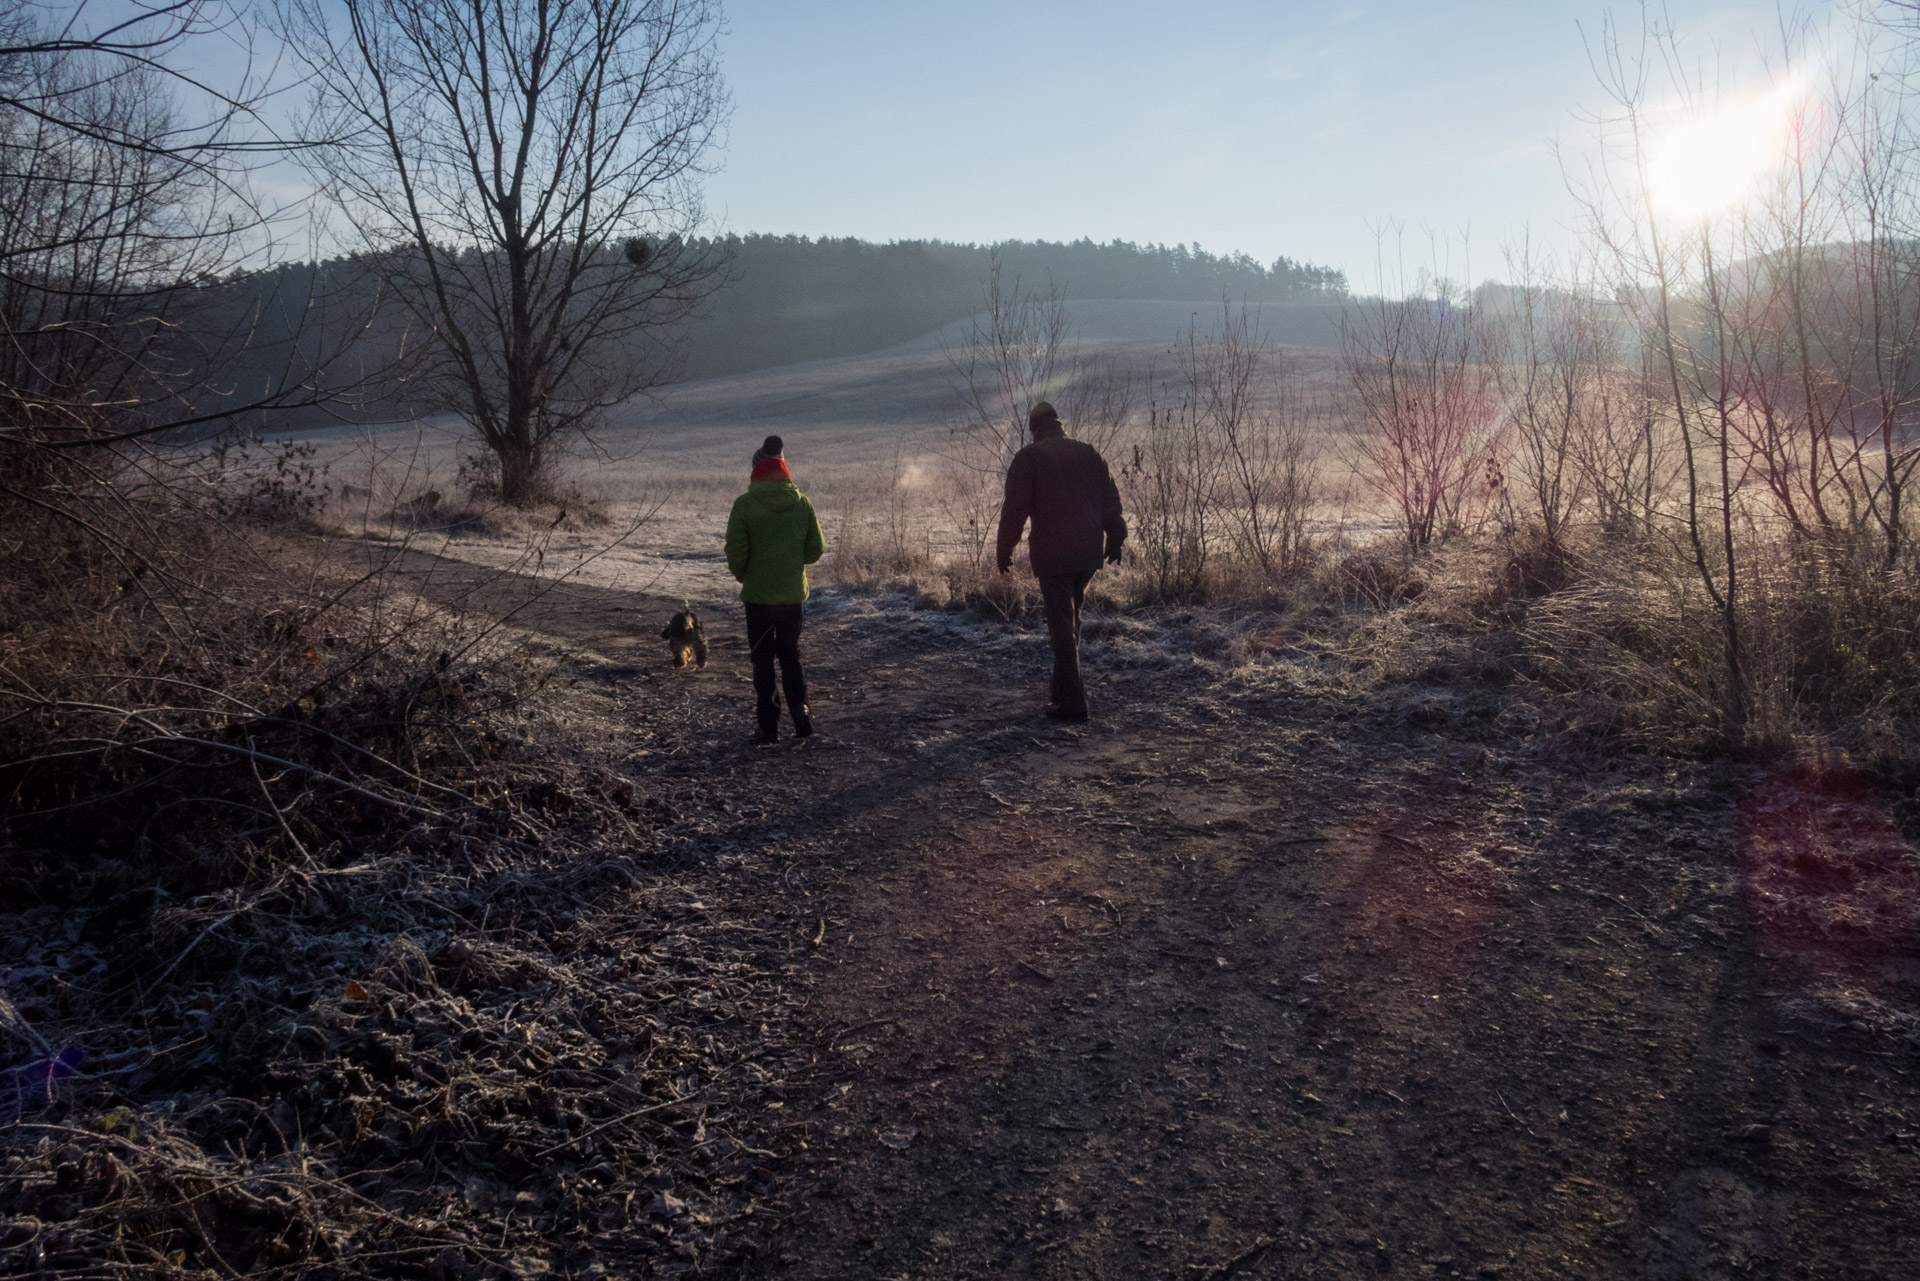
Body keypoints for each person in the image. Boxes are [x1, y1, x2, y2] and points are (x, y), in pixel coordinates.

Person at [995, 401, 1126, 722]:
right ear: (1058, 423)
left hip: (1054, 554)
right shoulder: (1089, 453)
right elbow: (1111, 499)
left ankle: (1073, 703)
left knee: (1061, 626)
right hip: (1088, 553)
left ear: (1033, 428)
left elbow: (1015, 510)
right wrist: (1116, 536)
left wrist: (1004, 548)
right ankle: (1061, 689)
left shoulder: (1029, 458)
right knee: (1071, 621)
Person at [724, 435, 825, 743]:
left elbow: (735, 551)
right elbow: (815, 551)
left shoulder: (744, 505)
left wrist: (745, 575)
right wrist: (793, 564)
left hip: (758, 599)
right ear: (785, 470)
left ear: (755, 471)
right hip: (792, 597)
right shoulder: (802, 504)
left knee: (763, 660)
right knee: (791, 657)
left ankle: (768, 727)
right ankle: (801, 713)